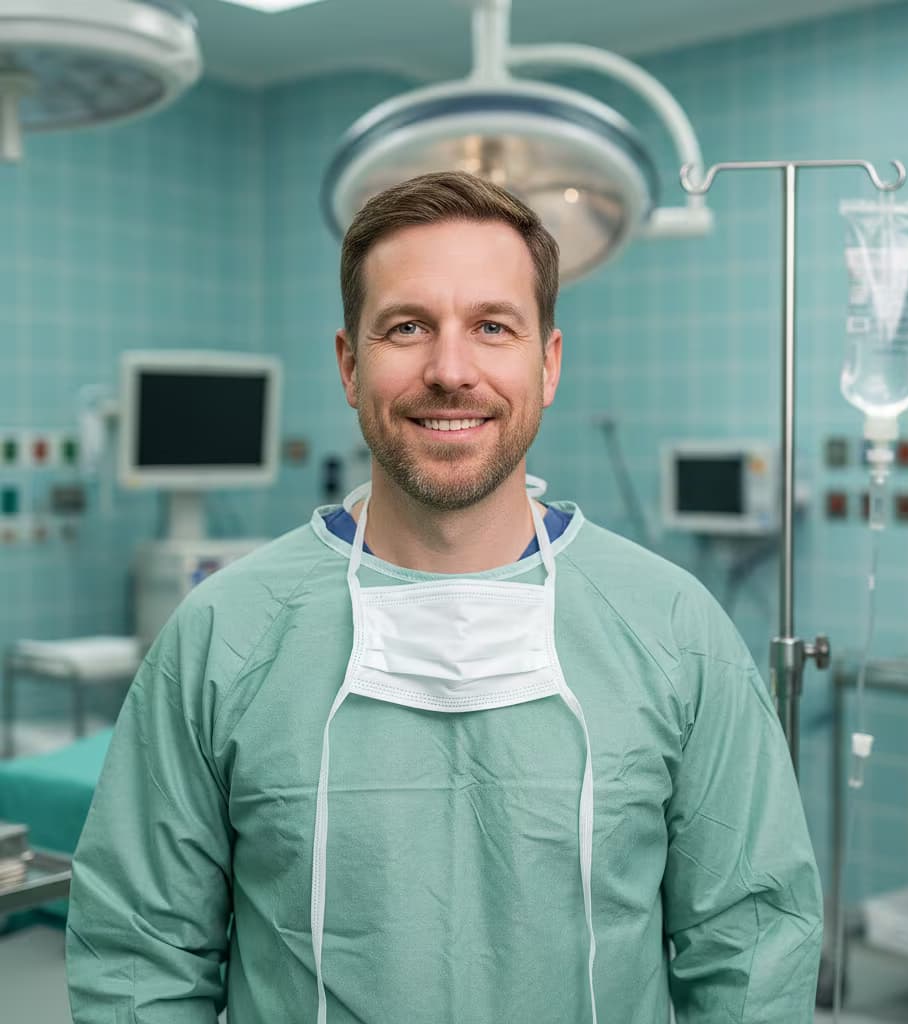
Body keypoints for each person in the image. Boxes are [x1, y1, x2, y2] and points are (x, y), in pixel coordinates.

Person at [66, 171, 823, 1023]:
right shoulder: (222, 635)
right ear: (351, 365)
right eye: (407, 327)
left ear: (549, 363)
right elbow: (139, 962)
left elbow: (753, 949)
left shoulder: (674, 631)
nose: (450, 370)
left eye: (492, 327)